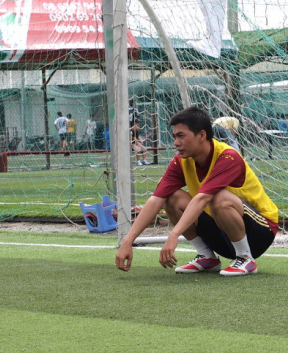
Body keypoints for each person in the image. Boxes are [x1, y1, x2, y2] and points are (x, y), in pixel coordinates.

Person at [116, 106, 279, 277]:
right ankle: (207, 257)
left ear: (201, 135)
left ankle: (246, 258)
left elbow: (202, 199)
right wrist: (128, 241)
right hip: (222, 232)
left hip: (260, 232)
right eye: (174, 136)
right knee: (171, 197)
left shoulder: (228, 156)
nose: (176, 143)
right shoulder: (181, 161)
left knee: (218, 197)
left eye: (181, 136)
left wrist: (173, 235)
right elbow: (156, 199)